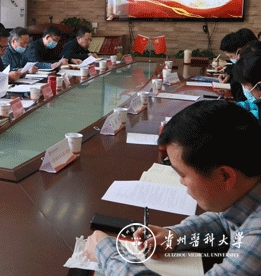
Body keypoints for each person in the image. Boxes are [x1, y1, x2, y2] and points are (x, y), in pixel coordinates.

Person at [85, 100, 261, 275]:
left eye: (183, 174)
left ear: (225, 176)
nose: (181, 182)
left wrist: (107, 253)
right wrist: (175, 236)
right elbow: (226, 220)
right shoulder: (245, 192)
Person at [217, 28, 257, 101]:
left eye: (231, 56)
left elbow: (243, 97)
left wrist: (231, 87)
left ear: (239, 52)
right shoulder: (242, 66)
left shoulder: (251, 68)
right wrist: (228, 74)